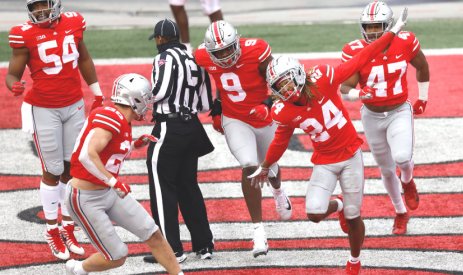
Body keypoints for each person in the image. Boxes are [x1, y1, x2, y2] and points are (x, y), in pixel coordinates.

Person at [248, 9, 408, 274]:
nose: (285, 90)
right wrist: (266, 165)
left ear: (298, 74)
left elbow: (360, 59)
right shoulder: (283, 110)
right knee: (313, 213)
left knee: (356, 216)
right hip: (324, 160)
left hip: (350, 153)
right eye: (279, 86)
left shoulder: (323, 77)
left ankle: (354, 261)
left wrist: (391, 32)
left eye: (287, 82)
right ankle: (340, 206)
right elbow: (280, 140)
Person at [5, 0, 104, 260]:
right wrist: (13, 85)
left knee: (73, 167)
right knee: (52, 170)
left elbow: (83, 57)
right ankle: (52, 229)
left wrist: (97, 93)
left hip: (73, 105)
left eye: (43, 5)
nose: (40, 11)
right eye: (35, 7)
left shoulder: (73, 23)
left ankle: (68, 226)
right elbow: (12, 73)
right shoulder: (24, 34)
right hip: (44, 108)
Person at [64, 73, 183, 275]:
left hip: (107, 192)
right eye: (145, 99)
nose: (147, 104)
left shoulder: (120, 118)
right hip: (85, 197)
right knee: (117, 256)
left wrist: (136, 144)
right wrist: (114, 182)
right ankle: (77, 269)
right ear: (133, 99)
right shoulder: (110, 116)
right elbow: (87, 155)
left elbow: (109, 151)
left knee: (153, 234)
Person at [194, 20, 292, 258]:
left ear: (237, 42)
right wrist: (217, 107)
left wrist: (267, 105)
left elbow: (278, 81)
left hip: (264, 116)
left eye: (228, 49)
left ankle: (278, 191)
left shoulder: (256, 50)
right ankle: (258, 229)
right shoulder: (202, 56)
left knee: (270, 167)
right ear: (210, 52)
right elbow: (214, 85)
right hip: (236, 118)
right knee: (249, 166)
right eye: (219, 53)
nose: (225, 56)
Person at [340, 1, 430, 235]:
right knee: (386, 169)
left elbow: (422, 66)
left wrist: (423, 97)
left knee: (402, 158)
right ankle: (400, 212)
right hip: (372, 115)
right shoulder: (354, 49)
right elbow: (345, 86)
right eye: (368, 27)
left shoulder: (405, 41)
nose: (372, 32)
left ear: (389, 24)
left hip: (399, 110)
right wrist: (359, 93)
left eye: (377, 26)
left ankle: (408, 180)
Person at [143, 19, 215, 264]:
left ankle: (170, 249)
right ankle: (204, 244)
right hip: (192, 127)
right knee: (189, 186)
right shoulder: (195, 58)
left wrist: (142, 101)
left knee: (162, 188)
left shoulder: (163, 58)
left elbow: (160, 90)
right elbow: (206, 103)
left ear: (161, 39)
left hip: (168, 126)